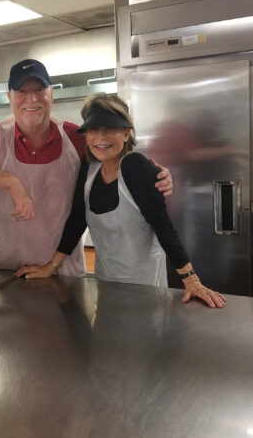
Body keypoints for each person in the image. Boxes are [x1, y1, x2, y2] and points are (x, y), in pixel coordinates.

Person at [0, 60, 172, 275]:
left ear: (51, 94)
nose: (31, 99)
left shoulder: (75, 138)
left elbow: (116, 164)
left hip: (64, 271)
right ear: (9, 97)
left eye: (39, 90)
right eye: (22, 91)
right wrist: (9, 181)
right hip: (6, 272)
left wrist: (155, 175)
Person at [15, 93, 226, 309]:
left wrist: (191, 280)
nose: (101, 137)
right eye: (94, 130)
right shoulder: (89, 169)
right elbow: (77, 219)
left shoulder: (135, 166)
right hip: (105, 283)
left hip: (145, 289)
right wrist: (51, 266)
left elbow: (164, 228)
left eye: (110, 129)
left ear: (126, 134)